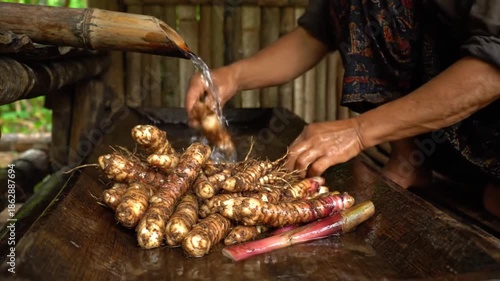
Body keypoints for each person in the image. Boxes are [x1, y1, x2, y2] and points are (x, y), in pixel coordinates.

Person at [185, 1, 500, 217]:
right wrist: (234, 77)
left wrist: (359, 132)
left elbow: (490, 70)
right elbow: (316, 33)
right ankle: (409, 158)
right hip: (449, 136)